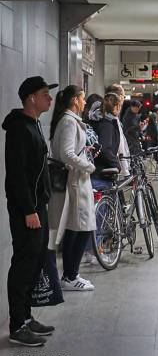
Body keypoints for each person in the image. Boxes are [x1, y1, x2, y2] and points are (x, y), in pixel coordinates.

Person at [2, 76, 56, 346]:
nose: (50, 98)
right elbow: (17, 176)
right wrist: (28, 210)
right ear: (31, 98)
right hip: (28, 211)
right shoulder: (19, 130)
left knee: (34, 262)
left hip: (38, 207)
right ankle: (16, 325)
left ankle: (25, 316)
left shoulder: (33, 125)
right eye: (45, 93)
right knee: (24, 264)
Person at [48, 85, 96, 291]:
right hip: (75, 182)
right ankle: (70, 276)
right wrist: (88, 165)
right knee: (80, 229)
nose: (85, 102)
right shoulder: (69, 121)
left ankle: (71, 275)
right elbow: (67, 153)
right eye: (83, 98)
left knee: (76, 229)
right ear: (75, 100)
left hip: (77, 181)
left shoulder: (69, 120)